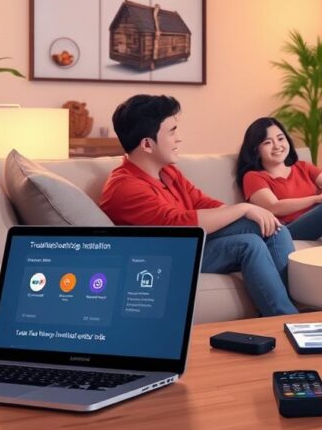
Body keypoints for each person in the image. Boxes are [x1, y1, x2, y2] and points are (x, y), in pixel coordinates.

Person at [100, 95, 297, 316]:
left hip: (189, 243)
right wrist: (244, 208)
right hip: (167, 255)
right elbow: (178, 224)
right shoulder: (125, 187)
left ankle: (285, 311)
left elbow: (202, 202)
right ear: (147, 144)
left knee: (271, 226)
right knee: (249, 242)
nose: (179, 139)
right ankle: (286, 318)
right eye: (172, 131)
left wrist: (252, 212)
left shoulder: (167, 171)